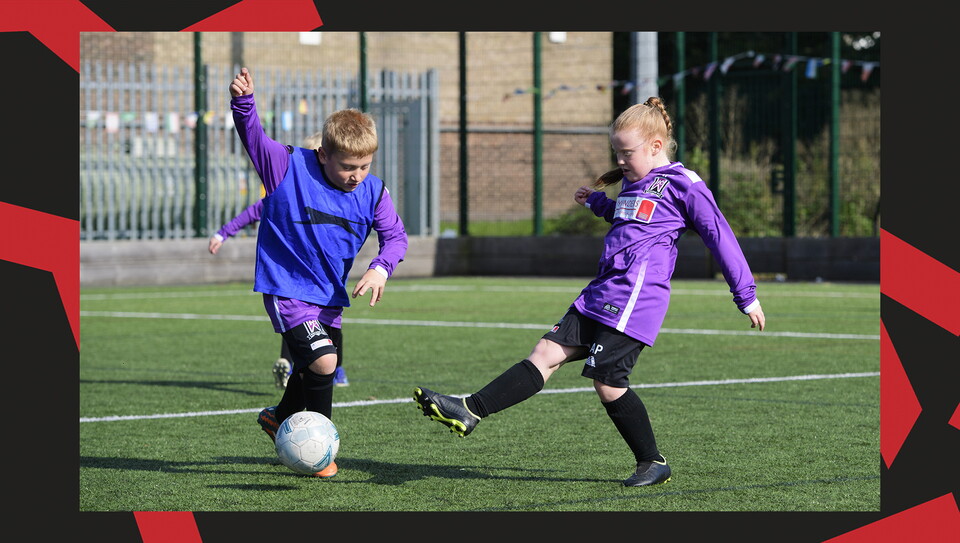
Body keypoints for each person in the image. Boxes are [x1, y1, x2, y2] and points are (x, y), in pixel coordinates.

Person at [413, 97, 765, 487]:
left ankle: (652, 462)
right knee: (545, 353)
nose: (620, 160)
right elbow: (628, 218)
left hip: (635, 297)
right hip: (600, 293)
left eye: (626, 152)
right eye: (616, 152)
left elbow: (719, 235)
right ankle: (470, 409)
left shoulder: (685, 184)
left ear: (655, 146)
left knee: (609, 383)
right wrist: (598, 202)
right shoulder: (634, 182)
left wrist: (745, 294)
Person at [230, 67, 408, 478]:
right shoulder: (286, 166)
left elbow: (395, 237)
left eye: (364, 165)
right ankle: (320, 454)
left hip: (330, 297)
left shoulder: (373, 190)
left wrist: (381, 267)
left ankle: (279, 417)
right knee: (325, 363)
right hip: (287, 287)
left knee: (316, 366)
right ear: (324, 154)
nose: (356, 175)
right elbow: (252, 137)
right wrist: (244, 103)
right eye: (348, 166)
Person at [208, 145, 350, 389]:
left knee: (328, 329)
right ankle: (295, 365)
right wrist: (223, 233)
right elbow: (255, 210)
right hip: (294, 279)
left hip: (325, 283)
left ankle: (329, 368)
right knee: (297, 323)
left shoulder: (341, 196)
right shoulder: (288, 192)